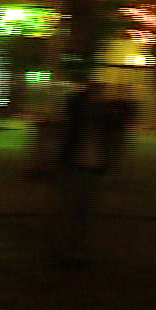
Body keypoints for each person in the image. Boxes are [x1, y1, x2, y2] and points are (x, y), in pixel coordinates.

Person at [50, 80, 112, 266]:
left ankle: (73, 248)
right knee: (72, 210)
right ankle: (65, 249)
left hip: (89, 167)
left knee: (82, 210)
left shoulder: (99, 117)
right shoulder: (80, 113)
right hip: (76, 167)